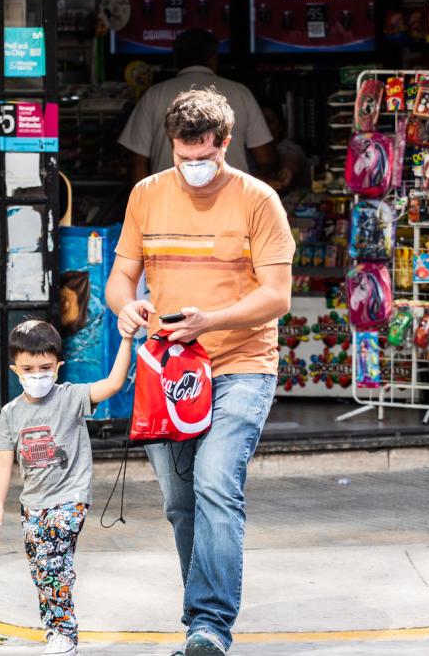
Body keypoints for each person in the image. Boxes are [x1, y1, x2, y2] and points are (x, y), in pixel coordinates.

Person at [105, 88, 296, 656]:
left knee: (215, 483)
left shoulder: (258, 200)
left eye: (204, 156)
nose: (193, 166)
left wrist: (210, 321)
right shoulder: (146, 194)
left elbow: (278, 296)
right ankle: (200, 621)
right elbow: (121, 278)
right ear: (170, 144)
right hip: (169, 371)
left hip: (241, 365)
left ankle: (210, 624)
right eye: (183, 156)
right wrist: (126, 307)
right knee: (179, 501)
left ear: (225, 144)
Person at [0, 319, 134, 656]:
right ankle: (55, 630)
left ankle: (65, 635)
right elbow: (3, 461)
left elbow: (113, 384)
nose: (37, 375)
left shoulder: (71, 397)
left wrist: (126, 339)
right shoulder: (11, 413)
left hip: (70, 497)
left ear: (58, 366)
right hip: (32, 504)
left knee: (52, 561)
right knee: (42, 569)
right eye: (28, 369)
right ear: (15, 370)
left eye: (45, 368)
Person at [119, 29, 275, 181]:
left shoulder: (154, 95)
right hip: (231, 195)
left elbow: (137, 162)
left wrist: (146, 197)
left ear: (176, 58)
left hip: (169, 196)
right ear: (213, 57)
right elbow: (265, 159)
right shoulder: (241, 93)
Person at [259, 100, 311, 194]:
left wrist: (287, 170)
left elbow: (291, 158)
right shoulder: (248, 152)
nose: (264, 126)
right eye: (260, 122)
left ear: (280, 126)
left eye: (269, 121)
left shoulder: (288, 147)